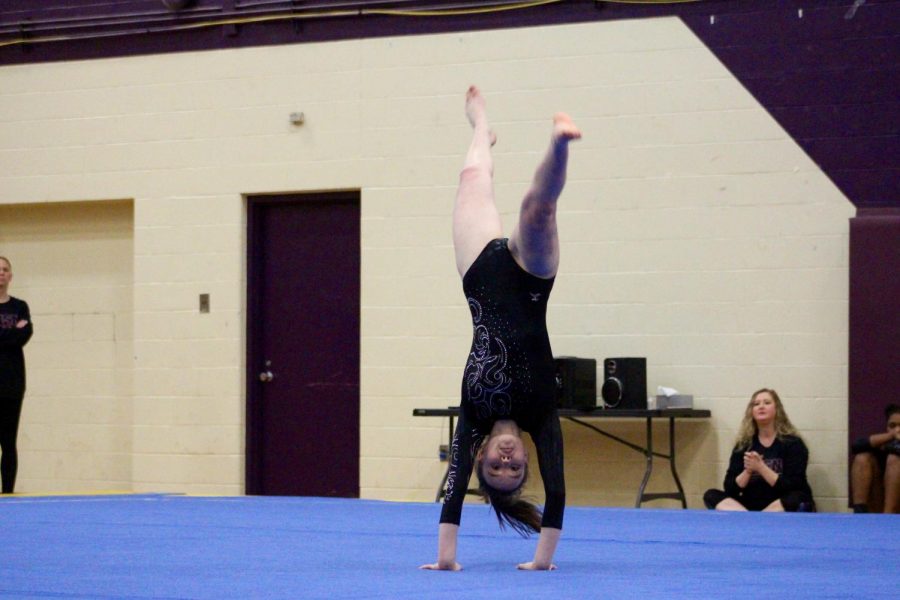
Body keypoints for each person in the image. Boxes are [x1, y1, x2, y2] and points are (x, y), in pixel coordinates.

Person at [420, 86, 580, 571]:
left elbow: (451, 491)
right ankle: (559, 142)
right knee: (540, 209)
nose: (506, 459)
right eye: (514, 467)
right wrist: (541, 562)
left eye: (495, 466)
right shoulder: (542, 416)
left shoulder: (472, 417)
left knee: (472, 176)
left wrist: (446, 560)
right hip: (532, 280)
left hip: (479, 274)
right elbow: (557, 494)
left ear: (483, 456)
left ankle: (479, 126)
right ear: (527, 461)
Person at [703, 388, 815, 512]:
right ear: (751, 412)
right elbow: (730, 488)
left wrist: (761, 468)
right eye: (756, 404)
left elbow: (793, 486)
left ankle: (759, 519)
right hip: (750, 505)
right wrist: (748, 471)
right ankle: (750, 519)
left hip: (780, 503)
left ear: (777, 409)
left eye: (767, 403)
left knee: (798, 497)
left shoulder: (793, 443)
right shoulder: (744, 445)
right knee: (711, 495)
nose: (761, 406)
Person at [0, 256, 33, 494]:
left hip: (12, 383)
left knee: (8, 442)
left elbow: (24, 336)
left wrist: (11, 336)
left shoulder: (20, 306)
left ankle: (8, 494)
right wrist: (11, 332)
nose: (1, 273)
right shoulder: (16, 316)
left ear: (10, 276)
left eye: (5, 270)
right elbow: (15, 337)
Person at [849, 403, 900, 513]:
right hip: (879, 499)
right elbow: (857, 445)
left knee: (894, 460)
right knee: (862, 458)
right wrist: (890, 436)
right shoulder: (885, 440)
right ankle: (860, 514)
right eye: (892, 426)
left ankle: (888, 517)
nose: (897, 430)